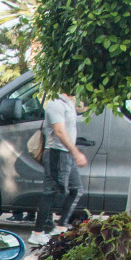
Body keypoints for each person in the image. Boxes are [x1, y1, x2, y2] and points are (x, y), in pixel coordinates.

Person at [29, 91, 87, 246]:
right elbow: (59, 131)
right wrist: (76, 153)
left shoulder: (69, 103)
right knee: (51, 191)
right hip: (56, 153)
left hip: (67, 154)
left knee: (76, 190)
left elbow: (82, 109)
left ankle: (60, 227)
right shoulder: (55, 103)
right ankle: (37, 232)